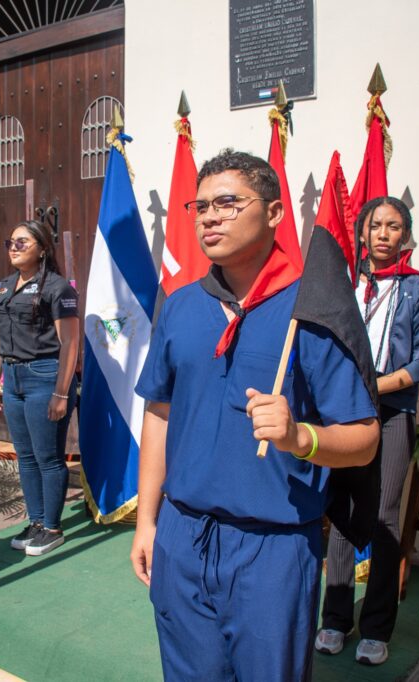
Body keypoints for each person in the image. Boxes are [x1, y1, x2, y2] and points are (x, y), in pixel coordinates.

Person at [130, 149, 380, 681]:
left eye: (227, 202)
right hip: (183, 535)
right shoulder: (179, 305)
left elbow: (365, 437)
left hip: (274, 547)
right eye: (200, 207)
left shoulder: (312, 311)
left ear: (273, 213)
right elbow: (159, 412)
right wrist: (148, 521)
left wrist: (299, 436)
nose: (209, 217)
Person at [317, 196, 419, 666]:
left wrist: (380, 385)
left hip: (391, 414)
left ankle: (375, 628)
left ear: (404, 236)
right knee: (344, 512)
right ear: (362, 234)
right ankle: (334, 620)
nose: (384, 234)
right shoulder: (346, 282)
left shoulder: (416, 289)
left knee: (385, 515)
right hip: (345, 414)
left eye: (394, 226)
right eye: (376, 226)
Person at [0, 220, 79, 557]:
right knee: (25, 457)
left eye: (22, 242)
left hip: (45, 376)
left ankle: (52, 527)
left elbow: (70, 341)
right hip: (13, 379)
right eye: (11, 241)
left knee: (48, 457)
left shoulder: (56, 289)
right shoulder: (5, 288)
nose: (13, 247)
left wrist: (61, 392)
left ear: (41, 248)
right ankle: (37, 521)